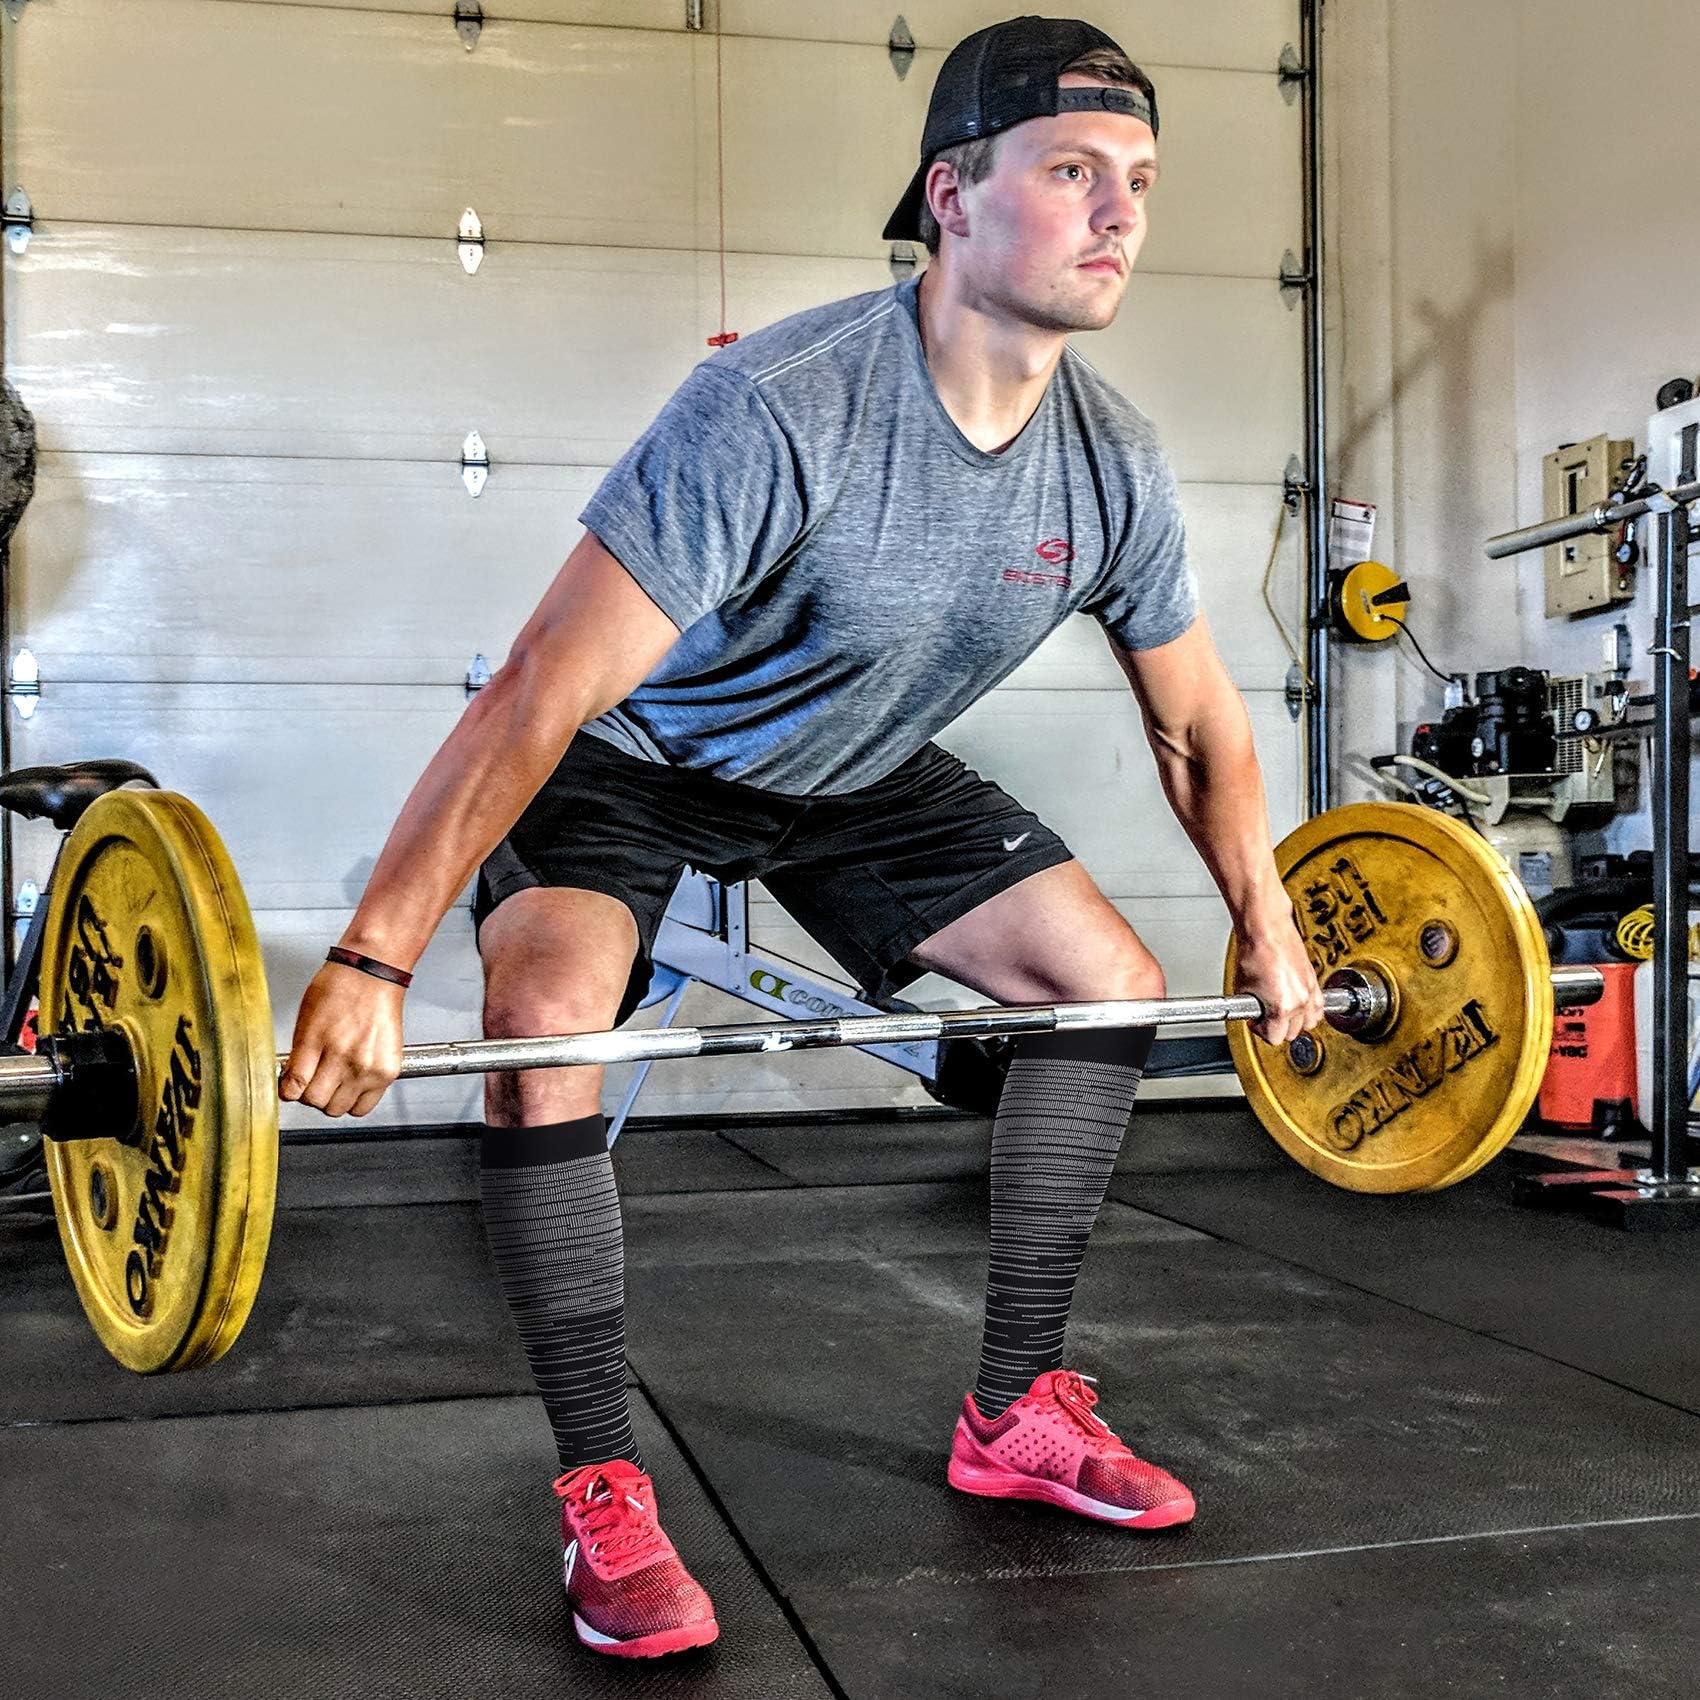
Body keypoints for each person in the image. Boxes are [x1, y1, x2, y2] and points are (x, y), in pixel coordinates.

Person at [281, 14, 1325, 1661]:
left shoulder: (1112, 459)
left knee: (1110, 989)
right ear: (951, 197)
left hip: (857, 773)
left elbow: (1197, 722)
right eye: (1072, 171)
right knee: (546, 1030)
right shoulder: (779, 408)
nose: (1122, 211)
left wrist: (1266, 922)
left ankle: (1015, 1410)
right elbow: (546, 687)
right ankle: (605, 1487)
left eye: (1138, 177)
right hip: (631, 762)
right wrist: (373, 959)